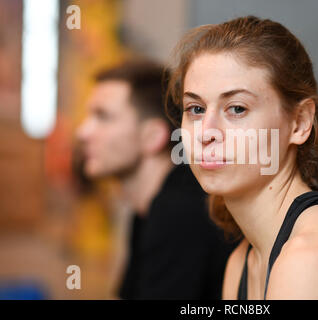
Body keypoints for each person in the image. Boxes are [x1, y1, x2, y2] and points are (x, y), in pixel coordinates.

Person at [165, 16, 318, 299]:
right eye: (195, 109)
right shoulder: (241, 261)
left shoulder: (310, 258)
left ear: (300, 122)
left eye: (237, 109)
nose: (206, 133)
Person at [76, 60, 235, 299]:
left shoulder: (178, 211)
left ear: (152, 137)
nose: (83, 132)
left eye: (103, 116)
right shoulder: (149, 208)